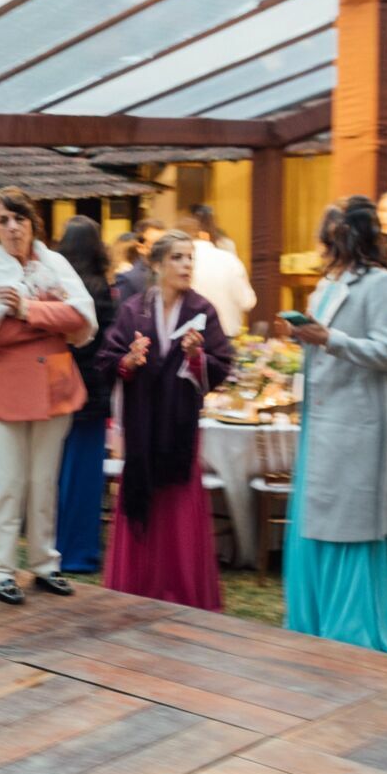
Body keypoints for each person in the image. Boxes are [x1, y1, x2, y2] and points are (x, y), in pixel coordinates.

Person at [0, 186, 96, 606]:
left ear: (34, 222)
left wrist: (27, 310)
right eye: (3, 220)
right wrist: (48, 318)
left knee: (43, 481)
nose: (13, 227)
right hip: (2, 390)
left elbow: (81, 318)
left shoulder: (55, 263)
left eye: (19, 218)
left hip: (53, 386)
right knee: (8, 482)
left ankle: (44, 563)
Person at [283, 200, 387, 654]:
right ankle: (312, 616)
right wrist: (304, 339)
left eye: (333, 238)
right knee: (318, 516)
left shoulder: (384, 285)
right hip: (321, 416)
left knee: (349, 523)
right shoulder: (325, 285)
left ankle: (352, 627)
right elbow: (322, 344)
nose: (326, 247)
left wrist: (329, 339)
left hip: (359, 419)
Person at [97, 230, 234, 610]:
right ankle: (139, 587)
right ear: (157, 265)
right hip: (142, 428)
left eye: (190, 257)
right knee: (144, 500)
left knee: (177, 506)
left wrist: (196, 357)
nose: (186, 265)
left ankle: (181, 590)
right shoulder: (134, 309)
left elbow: (221, 366)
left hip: (178, 428)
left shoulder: (202, 311)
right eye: (177, 257)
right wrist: (130, 361)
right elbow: (108, 361)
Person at [54, 217, 116, 575]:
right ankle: (80, 550)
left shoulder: (65, 288)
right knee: (84, 477)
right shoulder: (100, 288)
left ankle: (64, 544)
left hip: (62, 389)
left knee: (64, 473)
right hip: (92, 395)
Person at [189, 214, 257, 337]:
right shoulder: (229, 260)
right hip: (225, 335)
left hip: (189, 337)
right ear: (207, 235)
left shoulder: (181, 262)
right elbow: (247, 301)